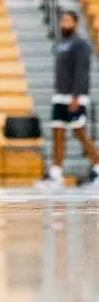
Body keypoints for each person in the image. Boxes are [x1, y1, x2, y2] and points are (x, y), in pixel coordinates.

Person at [45, 10, 99, 188]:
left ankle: (98, 167)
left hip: (75, 96)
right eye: (62, 20)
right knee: (58, 133)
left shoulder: (81, 44)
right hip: (60, 95)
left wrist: (76, 96)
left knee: (80, 133)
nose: (64, 23)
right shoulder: (61, 43)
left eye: (68, 20)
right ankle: (56, 173)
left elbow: (82, 71)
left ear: (76, 23)